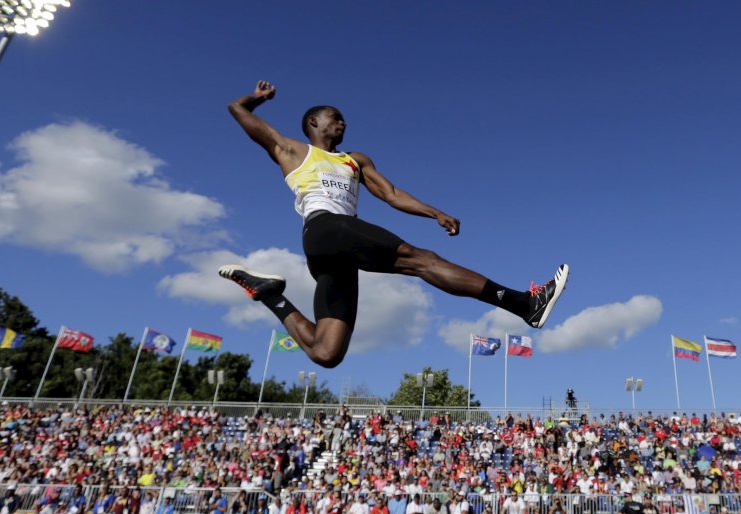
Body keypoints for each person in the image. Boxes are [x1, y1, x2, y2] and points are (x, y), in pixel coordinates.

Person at [221, 80, 569, 368]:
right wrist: (258, 98)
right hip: (326, 227)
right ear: (314, 122)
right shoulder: (292, 150)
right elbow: (237, 110)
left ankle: (270, 296)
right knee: (422, 260)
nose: (343, 123)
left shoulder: (355, 160)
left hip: (334, 250)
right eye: (336, 117)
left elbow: (390, 194)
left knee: (326, 352)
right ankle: (524, 304)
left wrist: (434, 212)